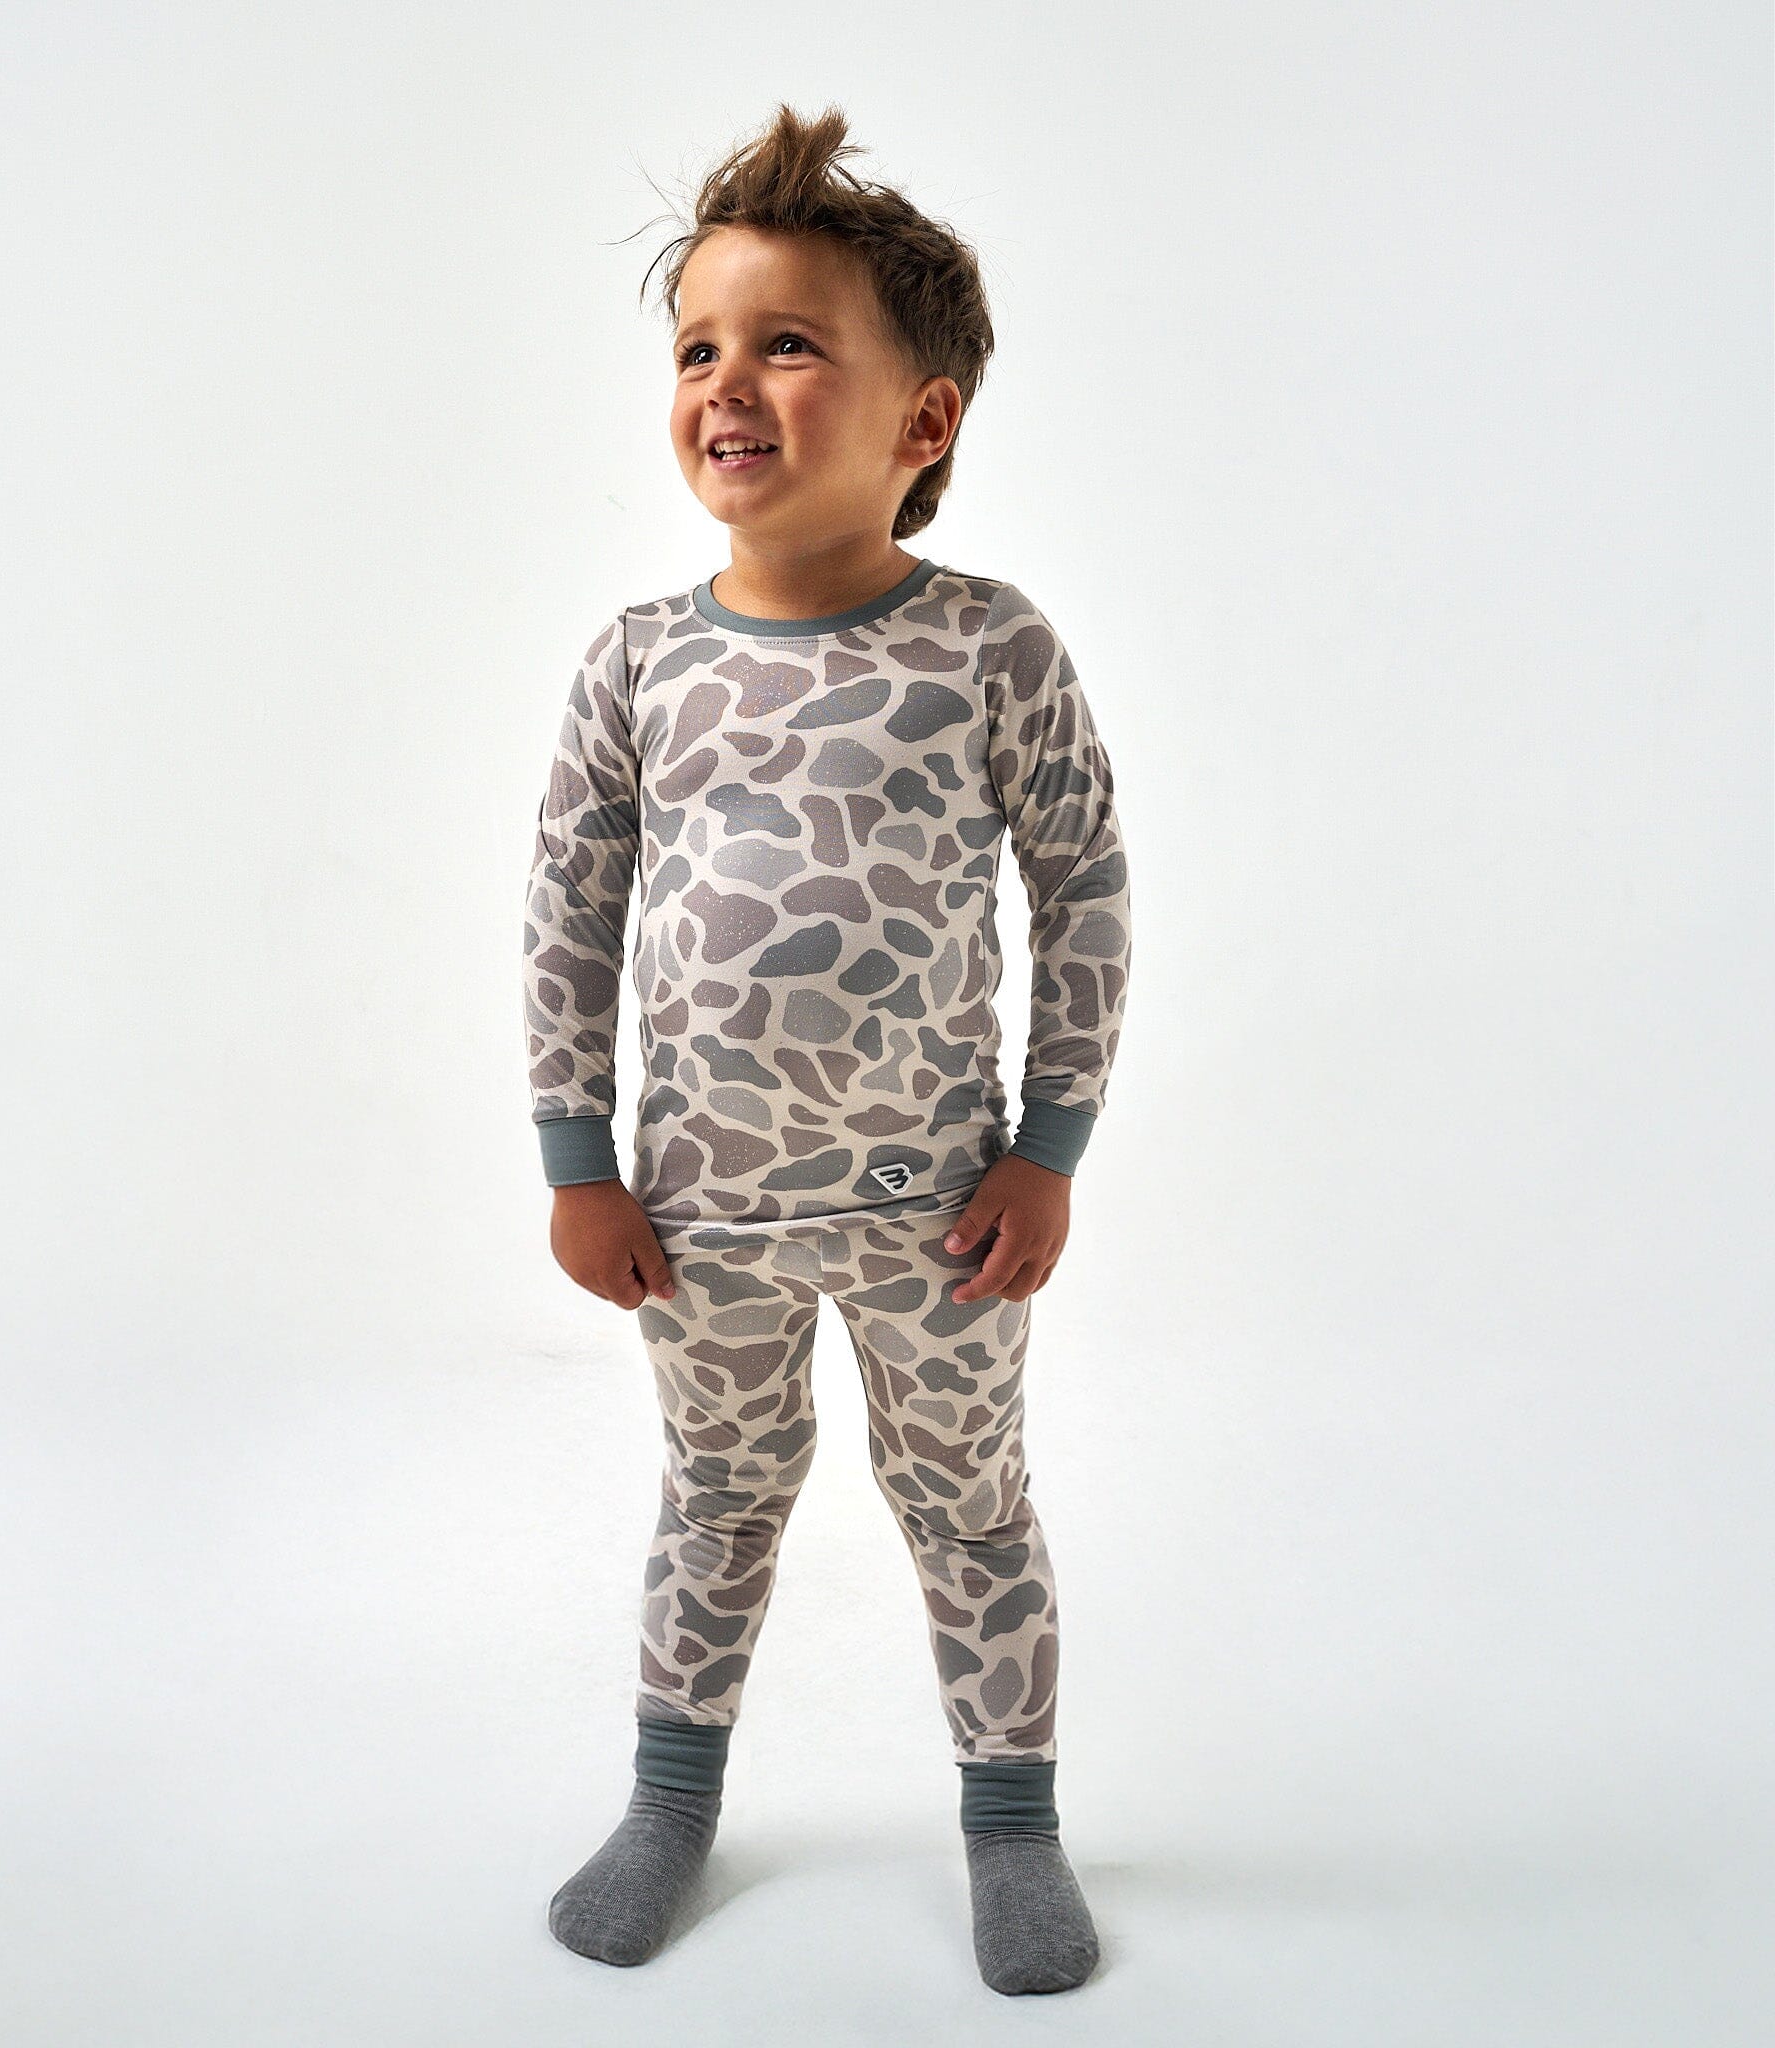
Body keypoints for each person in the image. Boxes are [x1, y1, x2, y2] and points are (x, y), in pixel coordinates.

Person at [520, 102, 1131, 1996]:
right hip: (700, 1218)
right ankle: (671, 1803)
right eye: (698, 345)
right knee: (716, 1502)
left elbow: (1086, 891)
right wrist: (577, 1164)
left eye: (787, 343)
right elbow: (568, 918)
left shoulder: (991, 651)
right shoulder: (640, 662)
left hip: (942, 1216)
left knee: (971, 1509)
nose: (727, 383)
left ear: (922, 419)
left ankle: (1012, 1827)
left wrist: (1049, 1147)